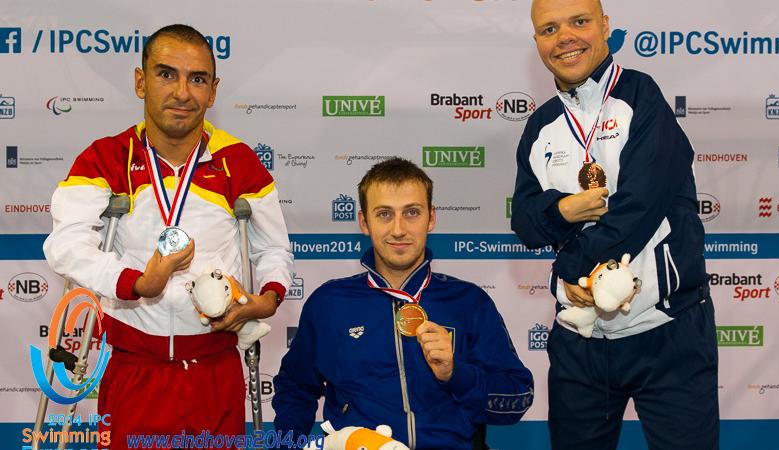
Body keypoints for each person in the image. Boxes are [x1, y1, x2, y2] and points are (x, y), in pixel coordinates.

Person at [43, 24, 293, 449]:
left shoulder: (239, 162)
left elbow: (273, 249)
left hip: (215, 369)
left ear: (213, 92)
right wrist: (138, 283)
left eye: (197, 79)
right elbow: (65, 245)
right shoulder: (105, 157)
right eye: (166, 74)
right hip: (134, 368)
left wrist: (265, 301)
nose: (182, 92)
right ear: (140, 82)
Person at [511, 0, 719, 449]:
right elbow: (525, 222)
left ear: (605, 27)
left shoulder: (643, 97)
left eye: (579, 22)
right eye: (549, 29)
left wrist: (568, 271)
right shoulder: (541, 125)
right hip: (580, 339)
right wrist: (562, 211)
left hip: (668, 329)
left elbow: (637, 210)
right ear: (537, 43)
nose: (565, 37)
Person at [273, 158, 534, 450]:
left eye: (411, 212)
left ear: (431, 218)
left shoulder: (469, 302)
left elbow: (517, 399)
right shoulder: (329, 304)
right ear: (364, 222)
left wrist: (455, 374)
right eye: (384, 214)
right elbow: (294, 389)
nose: (398, 229)